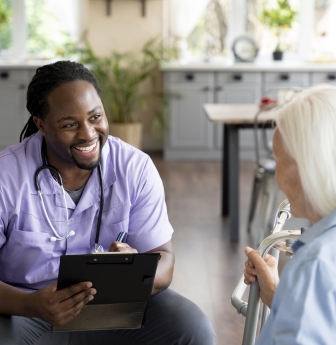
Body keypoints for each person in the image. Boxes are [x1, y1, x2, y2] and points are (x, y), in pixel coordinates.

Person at [0, 61, 215, 345]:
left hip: (116, 305)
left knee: (192, 329)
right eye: (69, 124)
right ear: (41, 125)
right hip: (27, 310)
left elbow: (164, 257)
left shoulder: (134, 168)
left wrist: (134, 270)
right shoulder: (6, 175)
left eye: (95, 117)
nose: (88, 134)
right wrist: (32, 305)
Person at [244, 84, 336, 344]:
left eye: (279, 161)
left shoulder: (316, 265)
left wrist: (301, 287)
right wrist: (284, 296)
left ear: (308, 167)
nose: (277, 181)